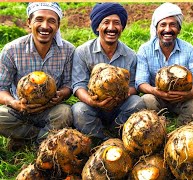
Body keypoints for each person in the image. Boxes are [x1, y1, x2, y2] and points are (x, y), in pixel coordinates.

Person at [0, 2, 74, 150]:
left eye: (51, 21)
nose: (45, 26)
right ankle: (41, 139)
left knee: (65, 113)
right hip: (20, 109)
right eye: (39, 19)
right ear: (29, 22)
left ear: (58, 25)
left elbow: (69, 84)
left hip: (50, 109)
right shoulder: (12, 50)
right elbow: (1, 88)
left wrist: (61, 94)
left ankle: (24, 139)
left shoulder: (68, 50)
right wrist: (14, 103)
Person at [71, 3, 145, 142]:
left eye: (116, 23)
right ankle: (100, 140)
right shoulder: (82, 52)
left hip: (120, 107)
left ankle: (117, 133)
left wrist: (122, 96)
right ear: (98, 26)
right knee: (79, 110)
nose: (111, 28)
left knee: (137, 103)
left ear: (121, 27)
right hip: (93, 107)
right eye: (106, 22)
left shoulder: (130, 55)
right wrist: (93, 102)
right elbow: (78, 85)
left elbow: (134, 85)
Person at [135, 2, 193, 125]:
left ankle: (181, 127)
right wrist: (155, 91)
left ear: (178, 29)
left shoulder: (188, 49)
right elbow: (140, 82)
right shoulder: (145, 49)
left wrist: (188, 94)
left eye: (172, 25)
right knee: (145, 100)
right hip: (158, 99)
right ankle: (160, 125)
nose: (167, 30)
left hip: (183, 99)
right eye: (163, 25)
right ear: (156, 28)